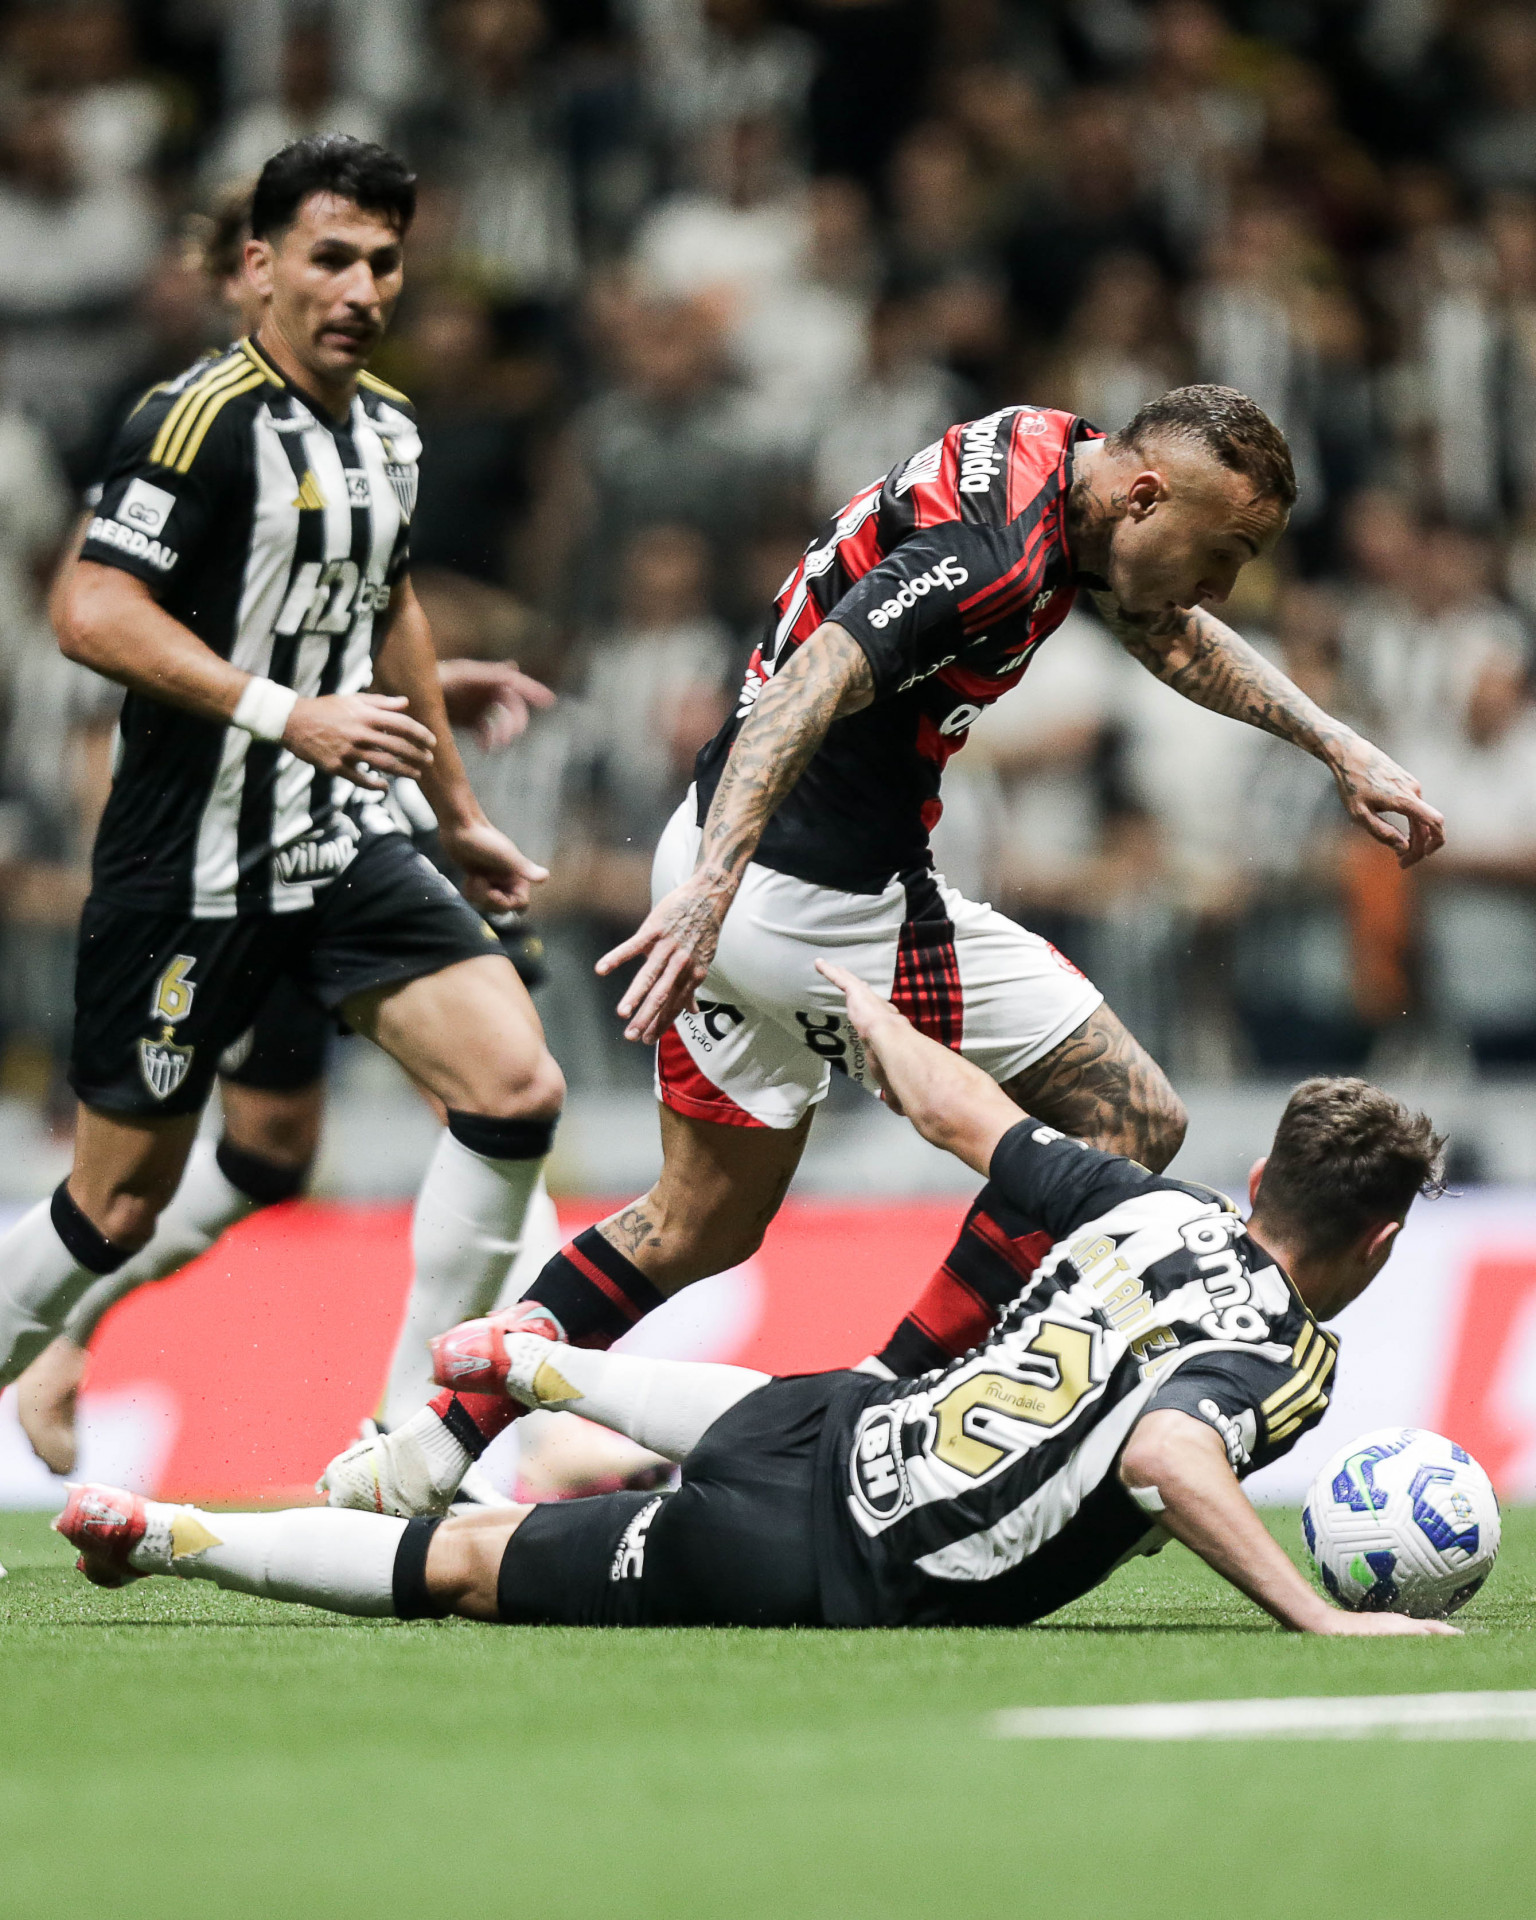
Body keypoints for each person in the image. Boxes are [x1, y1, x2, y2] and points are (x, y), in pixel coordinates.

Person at [370, 384, 1445, 1497]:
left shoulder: (1052, 453)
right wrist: (717, 890)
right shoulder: (995, 559)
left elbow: (1161, 627)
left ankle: (431, 1444)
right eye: (1225, 552)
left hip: (719, 849)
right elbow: (812, 682)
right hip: (805, 899)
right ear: (1144, 495)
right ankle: (886, 1411)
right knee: (1128, 1114)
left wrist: (1333, 744)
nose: (1222, 586)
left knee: (696, 1224)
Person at [58, 962, 1454, 1640]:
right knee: (471, 1564)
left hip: (847, 1419)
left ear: (1260, 1170)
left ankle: (550, 1371)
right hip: (854, 1556)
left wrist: (869, 1020)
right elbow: (1165, 1452)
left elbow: (974, 1123)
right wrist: (1316, 1618)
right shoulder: (1288, 1355)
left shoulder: (1149, 1202)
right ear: (1381, 1245)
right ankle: (166, 1536)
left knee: (813, 1396)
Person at [0, 138, 565, 1467]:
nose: (362, 285)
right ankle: (52, 1350)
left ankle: (403, 1450)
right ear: (258, 270)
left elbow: (387, 604)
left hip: (333, 842)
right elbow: (87, 606)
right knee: (118, 1202)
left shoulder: (388, 430)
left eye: (382, 260)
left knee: (515, 1087)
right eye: (331, 257)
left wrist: (455, 804)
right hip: (189, 865)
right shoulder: (198, 418)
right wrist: (286, 708)